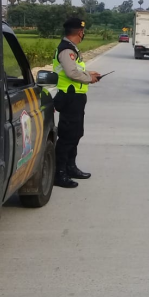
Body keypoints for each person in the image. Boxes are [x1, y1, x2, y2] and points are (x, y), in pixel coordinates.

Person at [52, 18, 100, 188]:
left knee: (76, 134)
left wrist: (89, 73)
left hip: (76, 97)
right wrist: (89, 78)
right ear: (80, 32)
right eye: (82, 32)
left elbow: (75, 69)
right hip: (69, 97)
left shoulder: (71, 48)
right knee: (67, 136)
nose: (83, 34)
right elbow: (71, 73)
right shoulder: (66, 50)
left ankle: (71, 167)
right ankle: (59, 173)